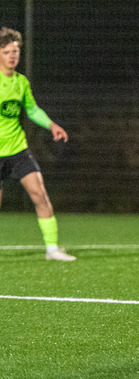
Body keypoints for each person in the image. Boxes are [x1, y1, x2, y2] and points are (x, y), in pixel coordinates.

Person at [0, 27, 73, 261]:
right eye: (7, 52)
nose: (13, 56)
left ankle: (52, 249)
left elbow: (31, 109)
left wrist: (51, 125)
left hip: (18, 150)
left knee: (40, 194)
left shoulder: (21, 83)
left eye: (16, 51)